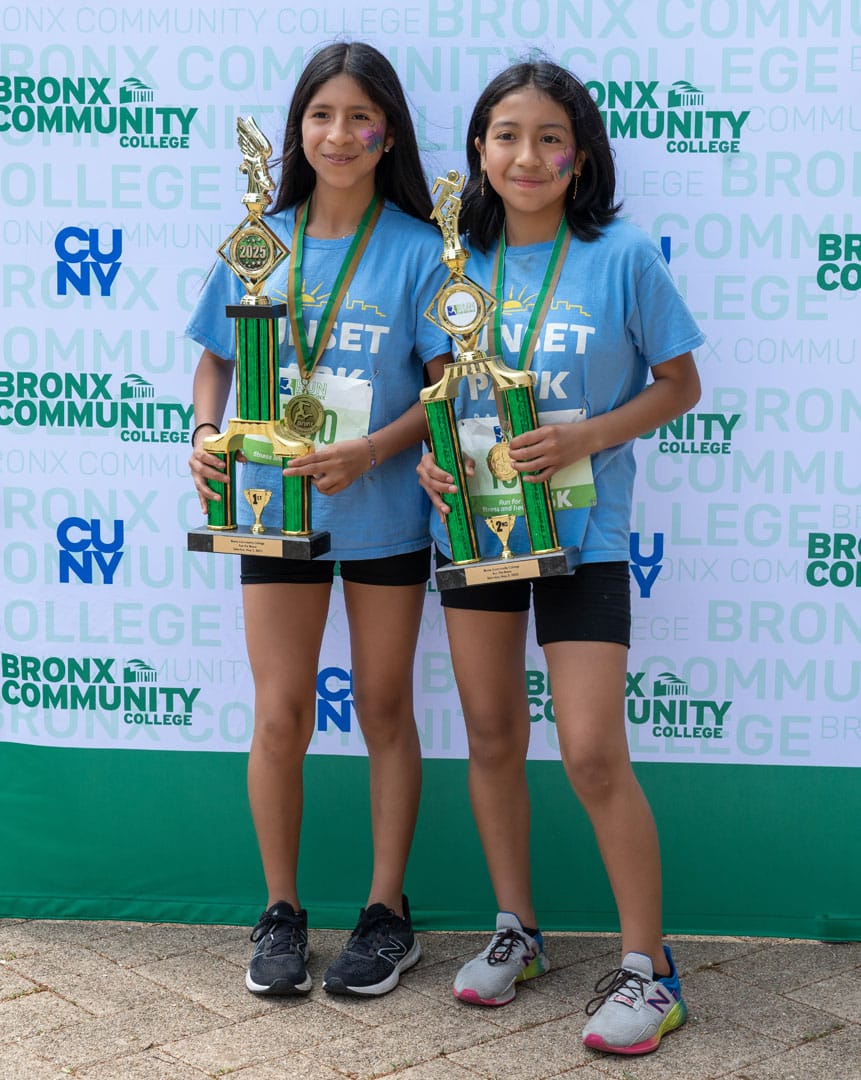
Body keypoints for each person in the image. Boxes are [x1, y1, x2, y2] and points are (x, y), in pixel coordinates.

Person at [417, 60, 704, 1055]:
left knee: (589, 749)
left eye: (548, 137)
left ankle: (649, 971)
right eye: (505, 135)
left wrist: (587, 438)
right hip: (478, 530)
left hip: (586, 535)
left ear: (579, 155)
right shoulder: (455, 264)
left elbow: (681, 385)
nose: (525, 155)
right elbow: (440, 396)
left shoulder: (621, 255)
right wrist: (432, 461)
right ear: (479, 152)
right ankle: (516, 930)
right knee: (493, 735)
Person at [187, 42, 450, 999]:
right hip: (271, 503)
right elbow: (215, 356)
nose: (339, 135)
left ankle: (387, 915)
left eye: (359, 117)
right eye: (321, 116)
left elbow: (447, 387)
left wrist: (372, 450)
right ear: (297, 129)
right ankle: (281, 912)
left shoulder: (422, 249)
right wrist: (207, 431)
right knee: (280, 713)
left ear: (389, 135)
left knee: (384, 709)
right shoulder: (261, 236)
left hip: (381, 513)